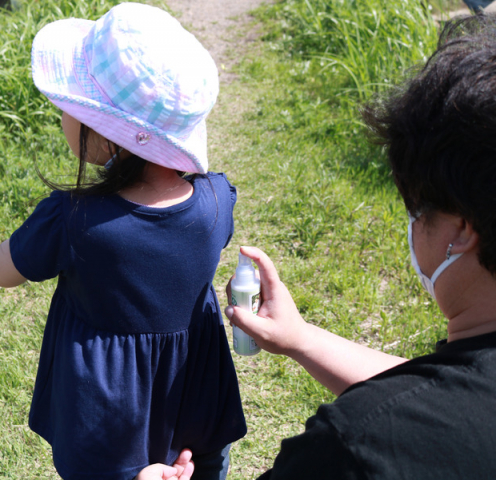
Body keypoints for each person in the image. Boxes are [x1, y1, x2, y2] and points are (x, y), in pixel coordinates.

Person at [138, 14, 496, 480]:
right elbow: (450, 394)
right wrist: (301, 338)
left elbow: (432, 408)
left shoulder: (356, 447)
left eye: (416, 207)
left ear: (462, 230)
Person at [0, 3, 246, 479]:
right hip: (197, 411)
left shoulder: (73, 220)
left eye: (69, 107)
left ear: (108, 139)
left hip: (106, 430)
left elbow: (1, 272)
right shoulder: (216, 202)